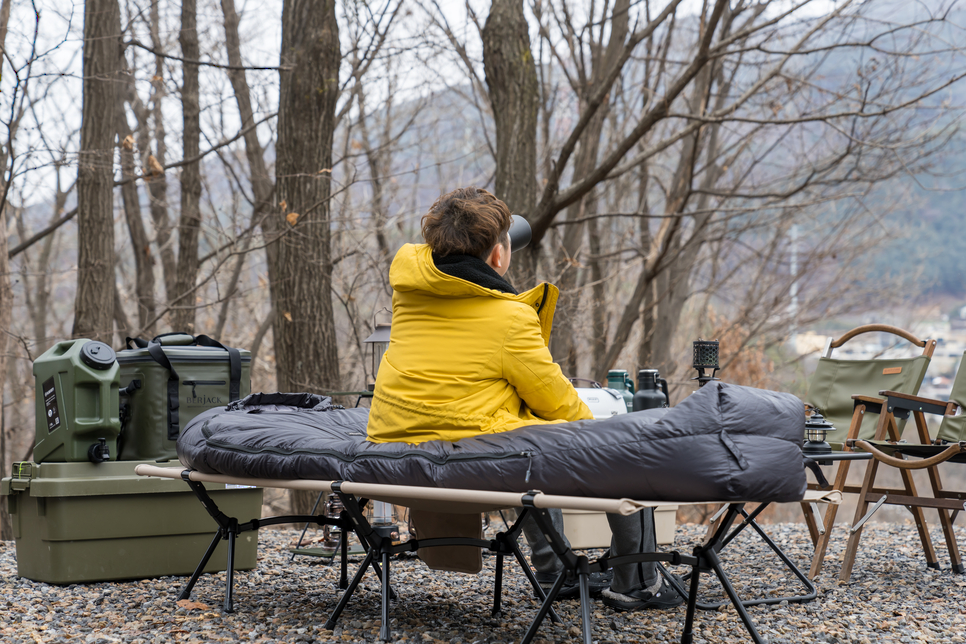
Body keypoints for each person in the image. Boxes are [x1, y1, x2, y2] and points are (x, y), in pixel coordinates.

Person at [366, 186, 681, 611]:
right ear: (498, 256)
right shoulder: (510, 317)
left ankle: (557, 571)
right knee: (616, 452)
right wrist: (602, 428)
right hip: (471, 465)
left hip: (395, 450)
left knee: (525, 436)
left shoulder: (409, 294)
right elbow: (562, 407)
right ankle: (638, 583)